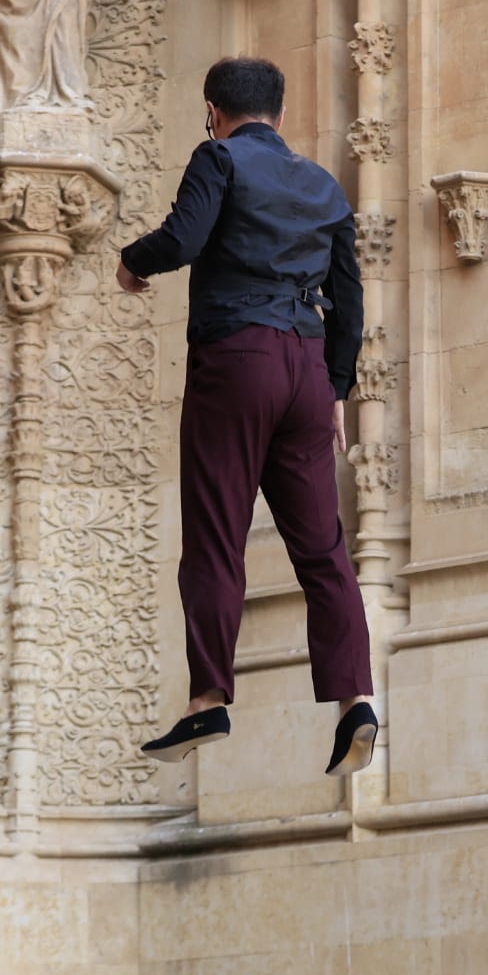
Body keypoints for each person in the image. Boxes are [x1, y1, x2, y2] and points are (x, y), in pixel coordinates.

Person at [119, 57, 378, 776]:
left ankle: (208, 697)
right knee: (324, 549)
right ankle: (355, 699)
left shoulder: (219, 158)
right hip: (306, 367)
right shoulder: (324, 185)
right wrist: (334, 389)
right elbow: (350, 301)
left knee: (214, 534)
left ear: (213, 110)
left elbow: (184, 238)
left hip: (237, 359)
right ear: (282, 115)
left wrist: (132, 261)